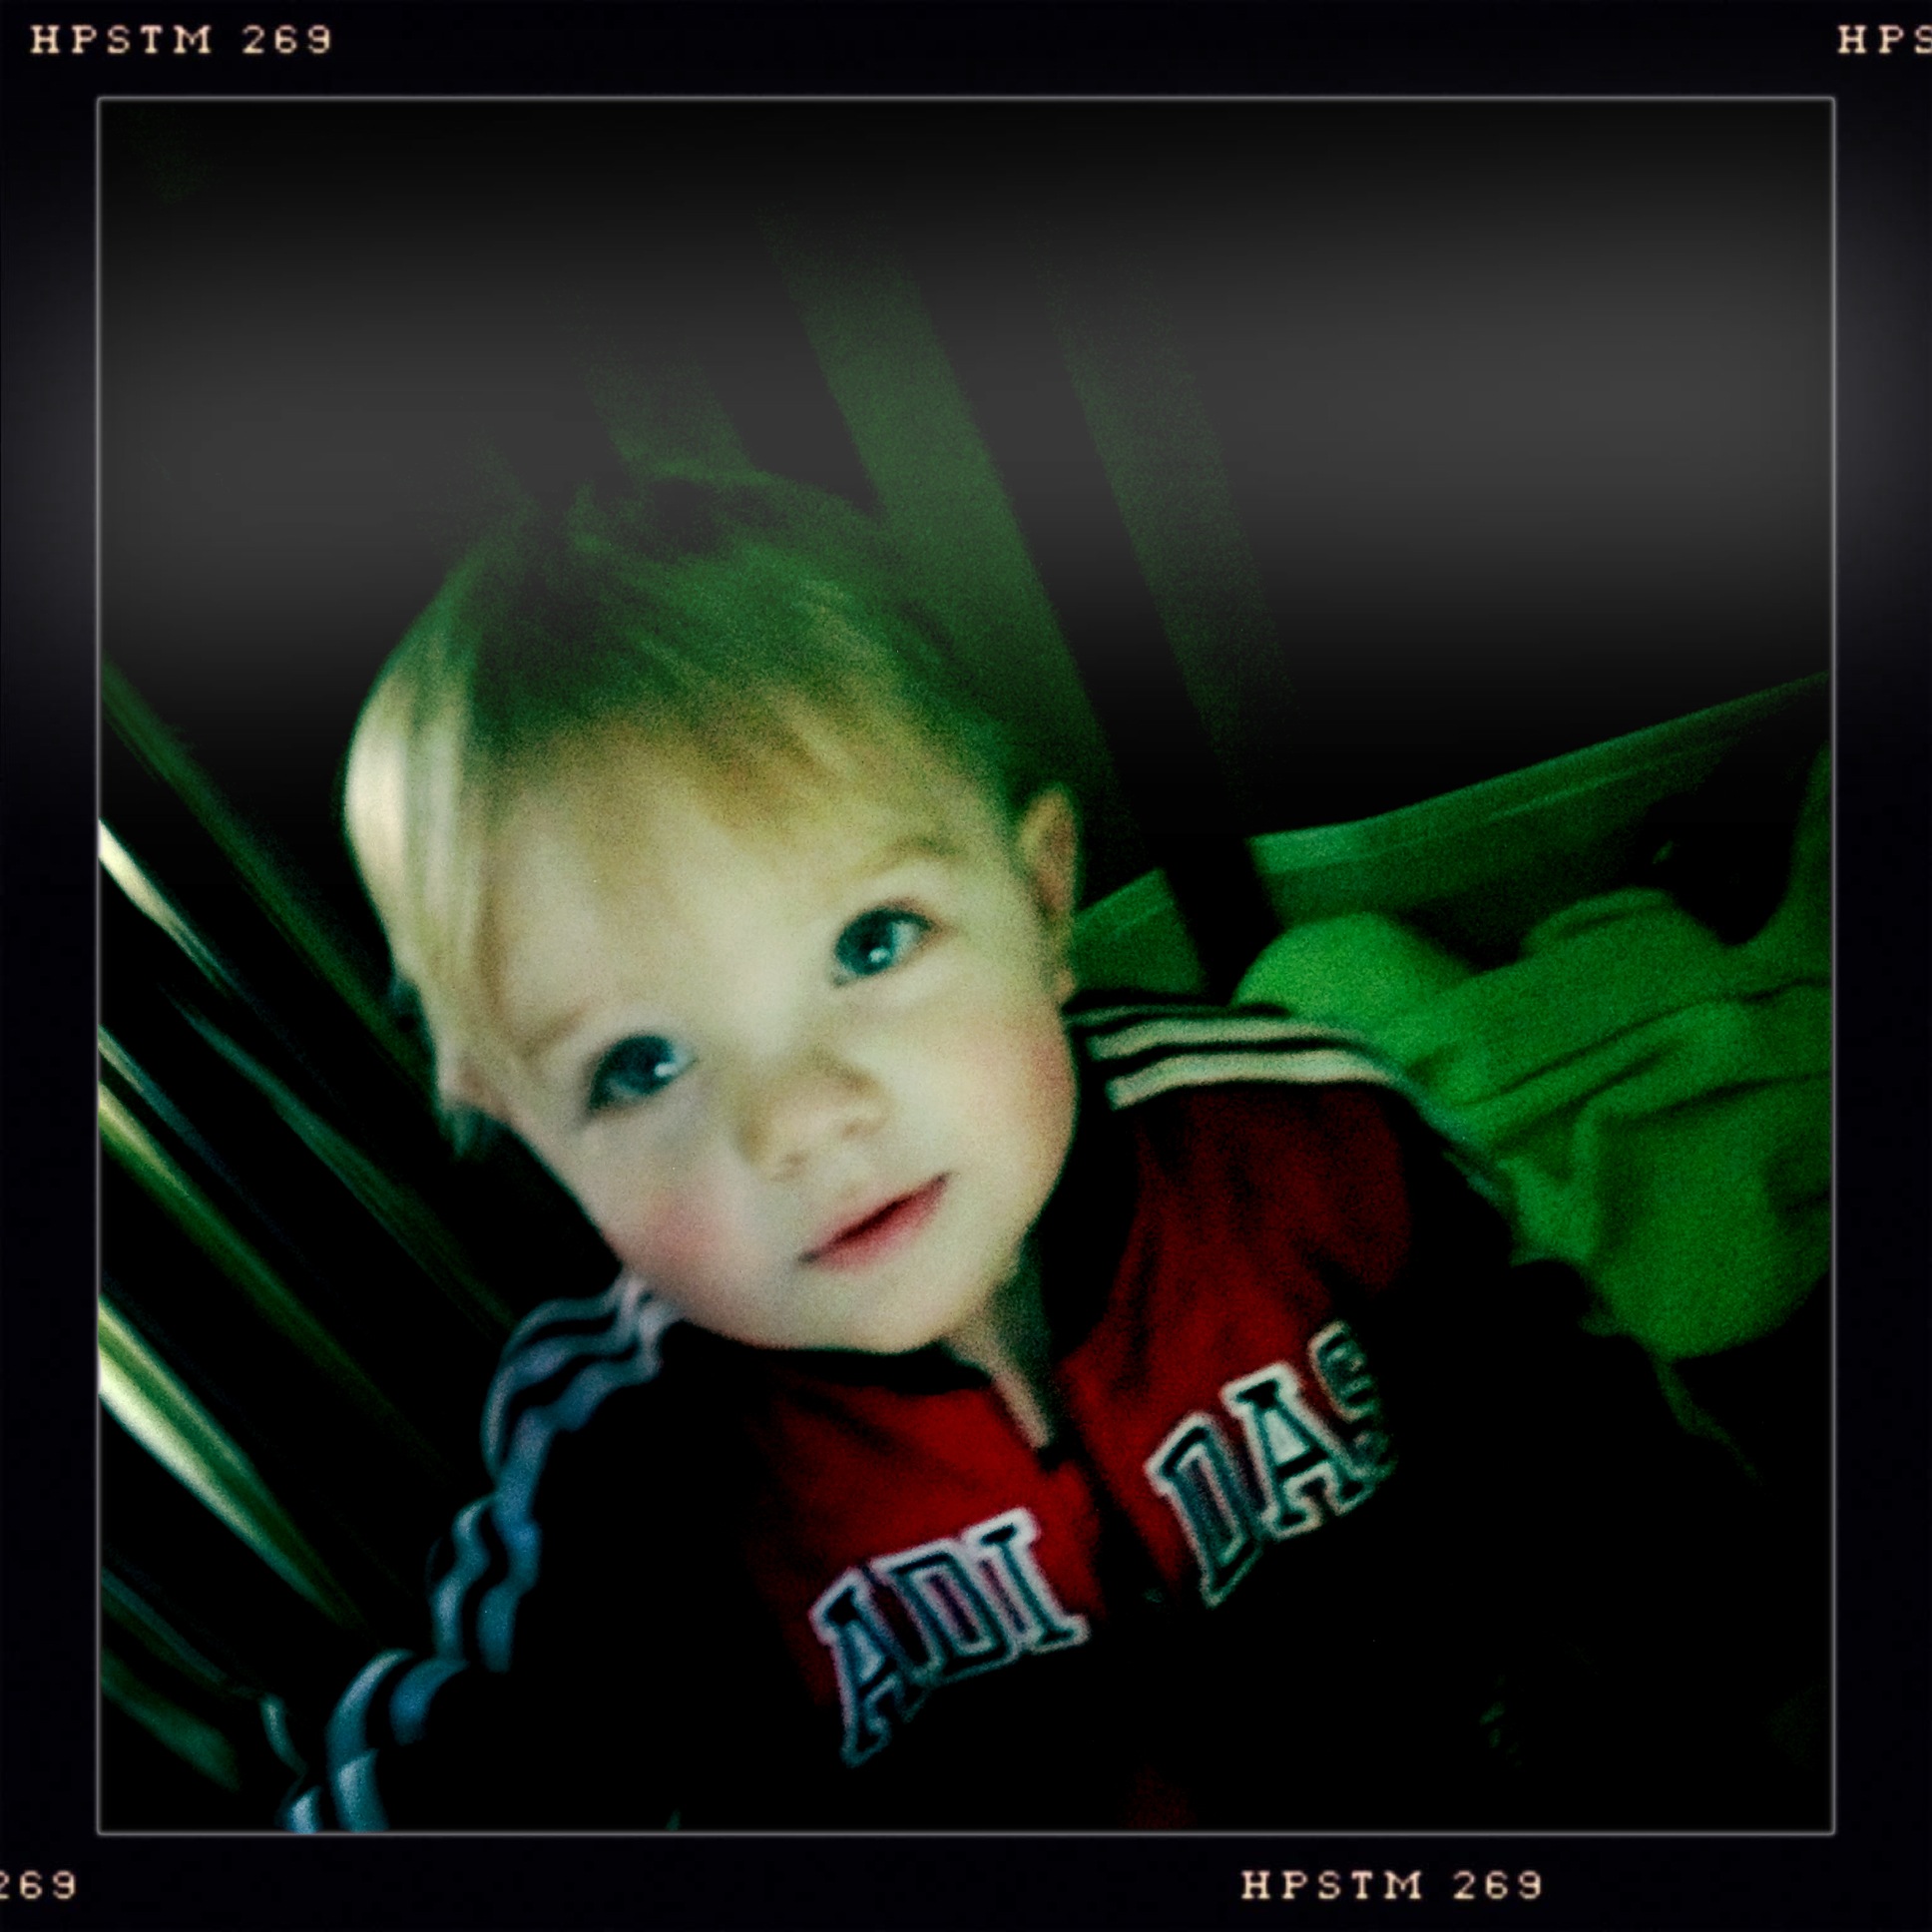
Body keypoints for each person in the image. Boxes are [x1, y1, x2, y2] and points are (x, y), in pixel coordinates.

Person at [283, 471, 1797, 1832]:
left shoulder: (1287, 1134)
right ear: (518, 1124)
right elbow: (466, 1780)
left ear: (1044, 899)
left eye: (874, 943)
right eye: (643, 1064)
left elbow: (1571, 1415)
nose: (801, 1119)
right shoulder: (629, 1465)